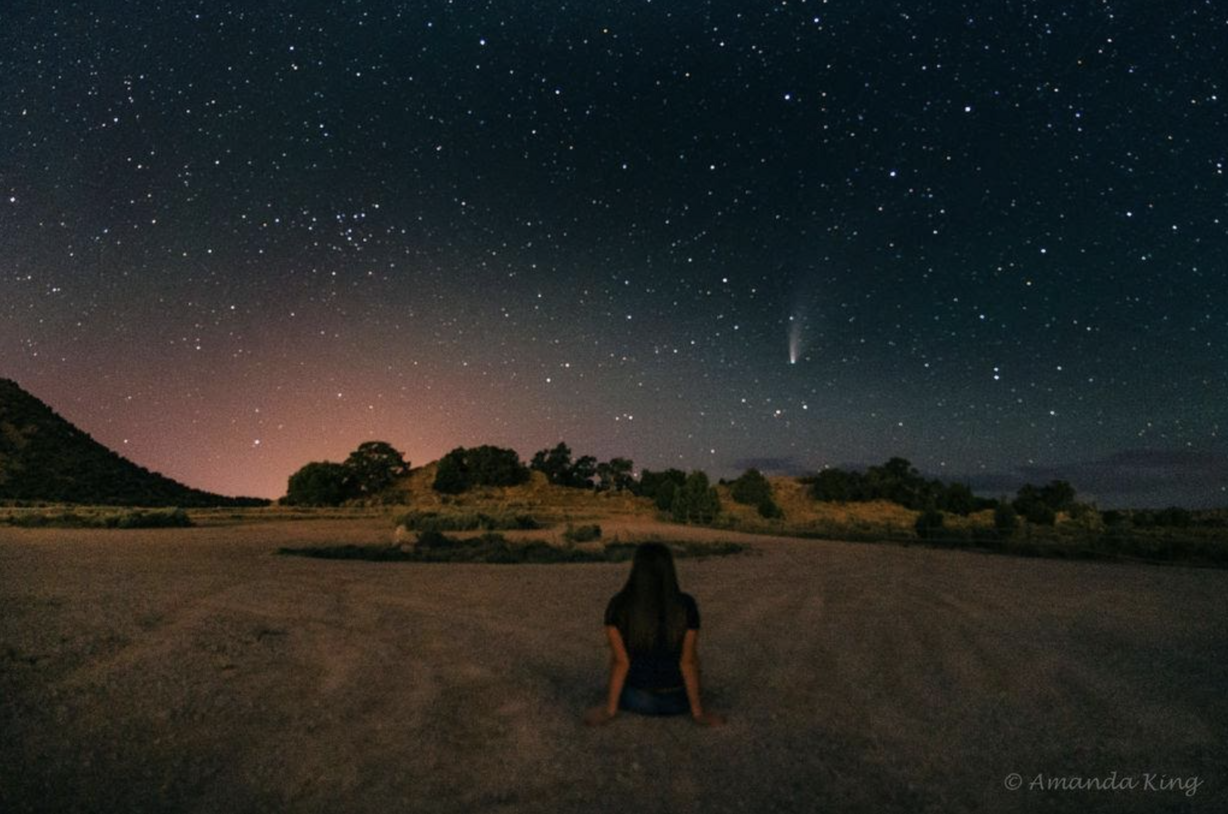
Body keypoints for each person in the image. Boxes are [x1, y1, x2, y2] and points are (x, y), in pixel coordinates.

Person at [584, 542, 725, 726]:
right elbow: (687, 662)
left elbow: (621, 662)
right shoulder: (685, 605)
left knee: (623, 669)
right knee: (694, 661)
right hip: (677, 701)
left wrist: (609, 711)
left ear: (636, 569)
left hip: (636, 700)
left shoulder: (618, 605)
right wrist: (698, 713)